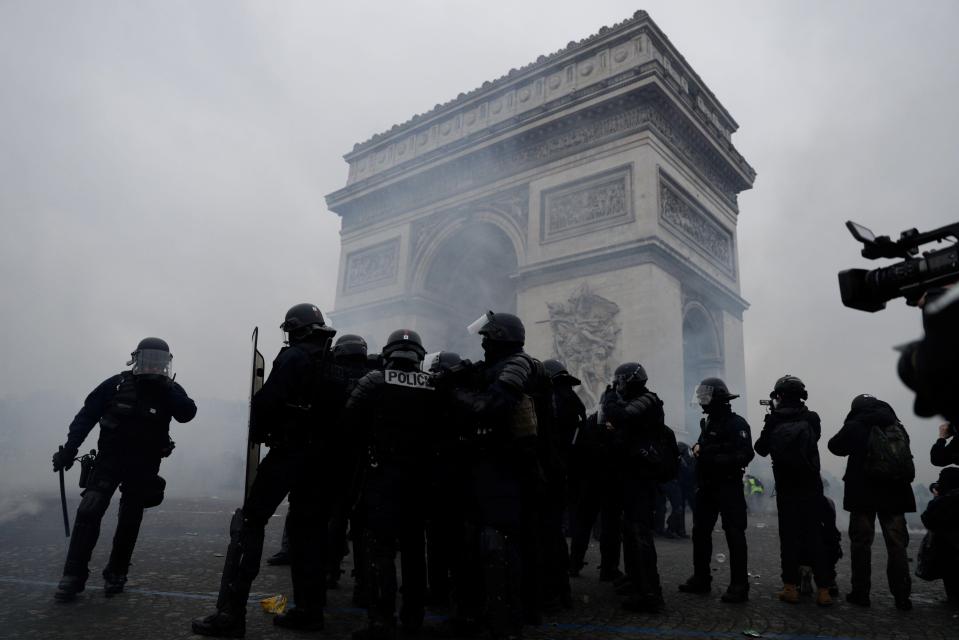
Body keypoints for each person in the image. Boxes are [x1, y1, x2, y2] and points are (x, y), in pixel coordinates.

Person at [192, 303, 345, 637]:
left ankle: (230, 614)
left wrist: (264, 431)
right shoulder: (335, 365)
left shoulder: (293, 357)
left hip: (289, 452)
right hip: (322, 462)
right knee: (310, 536)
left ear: (294, 329)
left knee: (249, 523)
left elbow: (267, 402)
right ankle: (309, 611)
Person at [51, 337, 196, 601]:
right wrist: (70, 449)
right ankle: (72, 576)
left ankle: (116, 572)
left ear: (165, 364)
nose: (152, 367)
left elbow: (187, 413)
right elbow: (86, 417)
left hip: (145, 464)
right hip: (109, 460)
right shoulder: (115, 385)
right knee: (89, 509)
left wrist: (168, 389)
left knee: (130, 519)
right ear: (136, 359)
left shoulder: (170, 389)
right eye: (148, 361)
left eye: (158, 363)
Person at [443, 310, 543, 639]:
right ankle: (480, 613)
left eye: (487, 337)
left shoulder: (518, 364)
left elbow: (490, 407)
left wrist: (452, 392)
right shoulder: (501, 365)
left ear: (501, 338)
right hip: (490, 468)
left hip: (506, 469)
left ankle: (505, 622)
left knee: (497, 544)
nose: (482, 342)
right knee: (478, 542)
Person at [344, 329, 436, 640]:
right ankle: (414, 616)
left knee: (380, 549)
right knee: (414, 548)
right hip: (421, 479)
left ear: (388, 353)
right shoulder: (433, 385)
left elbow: (350, 424)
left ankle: (381, 619)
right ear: (419, 356)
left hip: (383, 477)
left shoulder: (374, 381)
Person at [827, 393, 916, 611]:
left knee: (861, 544)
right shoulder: (896, 425)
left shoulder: (856, 424)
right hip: (895, 494)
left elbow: (835, 447)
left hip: (863, 495)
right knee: (897, 546)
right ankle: (902, 596)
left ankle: (861, 593)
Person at [601, 362, 675, 613]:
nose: (617, 385)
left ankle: (650, 593)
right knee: (631, 533)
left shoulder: (647, 400)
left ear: (629, 380)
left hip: (641, 477)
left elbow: (621, 416)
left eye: (619, 381)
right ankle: (637, 584)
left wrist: (609, 398)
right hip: (631, 474)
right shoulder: (638, 401)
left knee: (639, 534)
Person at [754, 375, 833, 607]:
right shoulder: (811, 417)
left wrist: (770, 419)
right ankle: (824, 591)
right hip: (811, 486)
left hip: (787, 489)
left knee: (789, 538)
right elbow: (814, 438)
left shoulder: (774, 419)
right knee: (815, 536)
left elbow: (760, 449)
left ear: (779, 395)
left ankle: (790, 588)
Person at [678, 377, 753, 604]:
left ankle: (739, 585)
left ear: (717, 397)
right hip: (708, 486)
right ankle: (701, 578)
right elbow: (705, 448)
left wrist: (711, 455)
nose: (701, 401)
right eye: (700, 397)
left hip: (728, 486)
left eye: (705, 397)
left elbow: (745, 455)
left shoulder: (737, 423)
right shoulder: (709, 422)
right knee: (700, 532)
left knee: (734, 534)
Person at [920, 467, 959, 606]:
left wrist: (936, 498)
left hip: (949, 547)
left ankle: (953, 598)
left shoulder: (946, 500)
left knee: (948, 565)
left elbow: (928, 519)